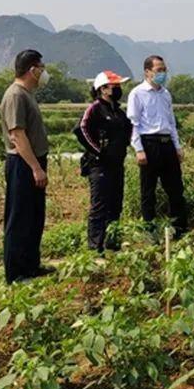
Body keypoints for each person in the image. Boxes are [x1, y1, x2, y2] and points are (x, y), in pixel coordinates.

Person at [0, 49, 55, 283]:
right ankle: (16, 273)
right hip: (23, 163)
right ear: (32, 70)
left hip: (33, 161)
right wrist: (35, 168)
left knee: (34, 216)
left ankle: (31, 265)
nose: (44, 73)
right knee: (19, 218)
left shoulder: (27, 93)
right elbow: (17, 136)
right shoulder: (15, 95)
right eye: (41, 68)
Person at [126, 55, 188, 238]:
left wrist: (177, 147)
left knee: (176, 189)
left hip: (167, 143)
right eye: (158, 70)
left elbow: (171, 123)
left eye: (164, 70)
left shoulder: (166, 94)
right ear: (147, 72)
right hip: (149, 143)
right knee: (148, 191)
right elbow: (134, 124)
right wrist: (139, 149)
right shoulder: (137, 93)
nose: (162, 73)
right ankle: (150, 232)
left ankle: (180, 230)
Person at [73, 70, 132, 253]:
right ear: (103, 89)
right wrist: (99, 151)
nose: (118, 89)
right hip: (99, 165)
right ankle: (95, 246)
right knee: (99, 205)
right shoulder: (95, 108)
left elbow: (127, 132)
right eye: (115, 86)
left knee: (116, 203)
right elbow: (81, 129)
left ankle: (112, 242)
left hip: (117, 163)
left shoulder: (119, 111)